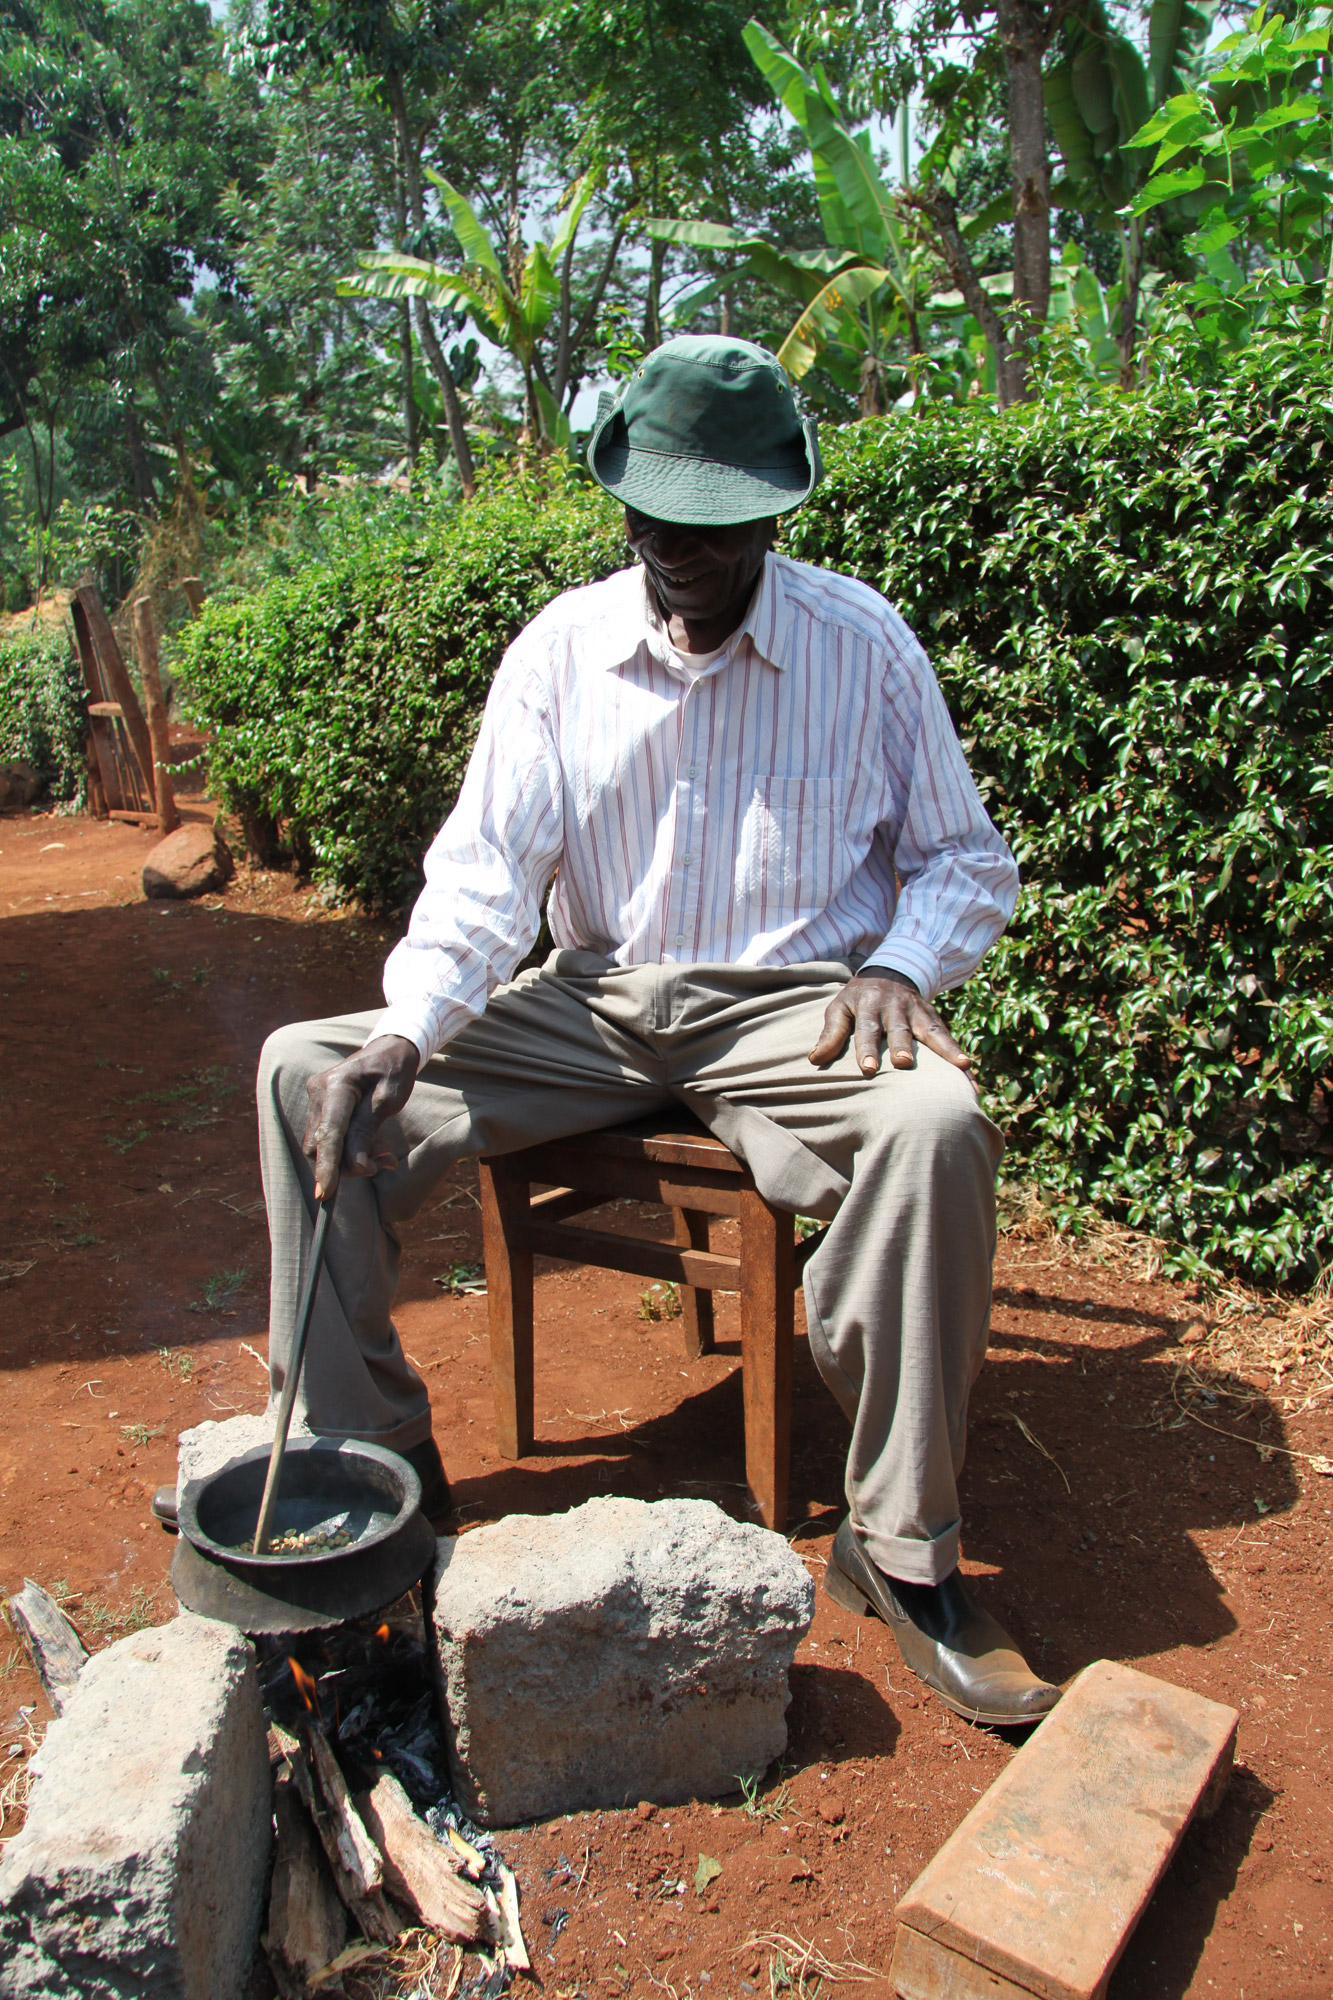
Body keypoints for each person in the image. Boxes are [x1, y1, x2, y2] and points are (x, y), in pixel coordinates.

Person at [247, 336, 1059, 1724]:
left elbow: (963, 859)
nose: (676, 541)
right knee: (307, 1070)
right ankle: (374, 1465)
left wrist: (903, 966)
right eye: (654, 510)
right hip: (592, 1001)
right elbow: (487, 874)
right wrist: (408, 1026)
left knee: (935, 1127)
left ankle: (900, 1549)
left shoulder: (860, 643)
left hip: (790, 1011)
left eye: (715, 516)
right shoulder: (562, 649)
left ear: (775, 511)